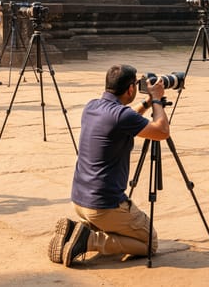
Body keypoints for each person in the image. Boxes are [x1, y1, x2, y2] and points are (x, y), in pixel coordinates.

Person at [48, 65, 169, 267]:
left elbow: (123, 118)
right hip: (103, 205)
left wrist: (146, 103)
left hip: (78, 200)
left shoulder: (92, 106)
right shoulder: (123, 116)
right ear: (130, 89)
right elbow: (162, 131)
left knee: (117, 227)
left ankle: (78, 230)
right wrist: (157, 100)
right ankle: (90, 240)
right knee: (150, 243)